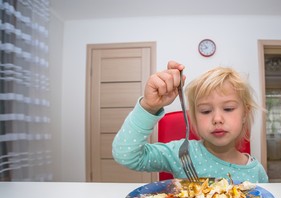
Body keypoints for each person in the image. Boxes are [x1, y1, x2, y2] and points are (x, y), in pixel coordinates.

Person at [112, 61, 268, 183]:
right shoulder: (181, 153)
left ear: (244, 114)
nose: (217, 119)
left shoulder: (256, 172)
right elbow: (126, 155)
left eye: (228, 108)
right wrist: (148, 106)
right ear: (194, 117)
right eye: (206, 111)